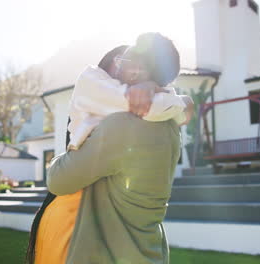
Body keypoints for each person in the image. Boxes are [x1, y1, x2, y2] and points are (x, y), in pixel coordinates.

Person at [27, 33, 191, 264]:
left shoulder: (123, 126)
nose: (113, 73)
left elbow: (59, 180)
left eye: (123, 61)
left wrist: (56, 160)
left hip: (112, 253)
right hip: (147, 248)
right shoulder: (172, 126)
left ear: (136, 70)